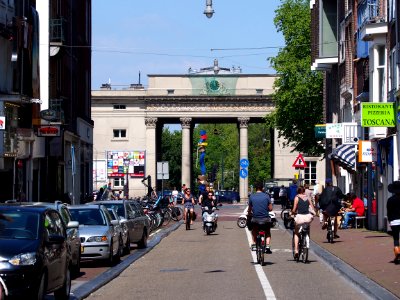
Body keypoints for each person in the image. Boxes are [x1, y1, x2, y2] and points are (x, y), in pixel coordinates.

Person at [247, 182, 273, 253]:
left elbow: (249, 209)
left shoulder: (252, 196)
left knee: (254, 230)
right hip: (265, 219)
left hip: (255, 219)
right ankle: (267, 245)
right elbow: (270, 208)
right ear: (262, 188)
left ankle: (254, 244)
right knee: (267, 231)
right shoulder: (266, 196)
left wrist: (249, 213)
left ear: (255, 188)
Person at [291, 186, 315, 259]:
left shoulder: (297, 198)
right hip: (308, 217)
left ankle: (296, 251)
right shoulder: (308, 197)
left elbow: (294, 208)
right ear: (304, 191)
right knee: (307, 227)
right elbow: (312, 208)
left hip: (300, 217)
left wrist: (292, 213)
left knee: (296, 233)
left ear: (297, 191)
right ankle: (306, 236)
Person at [387, 181, 400, 263]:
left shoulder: (390, 200)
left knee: (396, 238)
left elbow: (389, 212)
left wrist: (390, 220)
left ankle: (397, 250)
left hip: (394, 221)